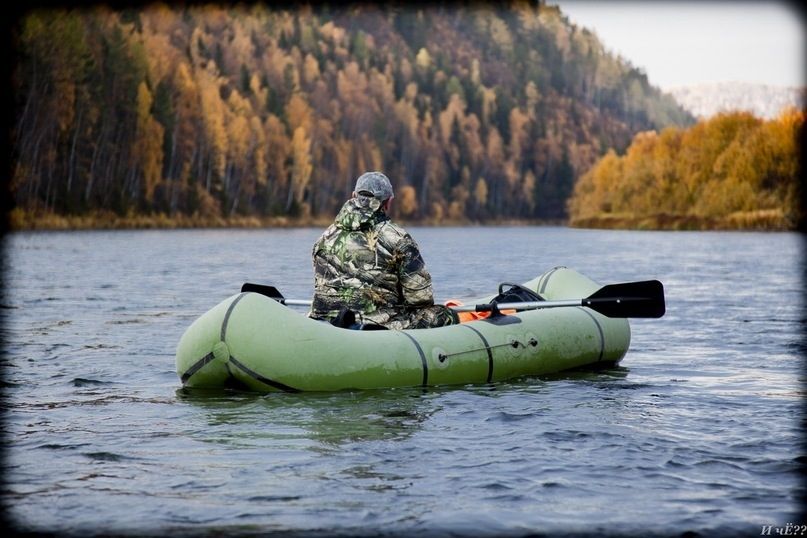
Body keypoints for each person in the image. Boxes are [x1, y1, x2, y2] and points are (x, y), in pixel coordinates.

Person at [309, 171, 458, 330]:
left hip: (325, 325)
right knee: (445, 316)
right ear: (387, 203)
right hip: (378, 327)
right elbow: (421, 299)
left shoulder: (324, 237)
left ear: (353, 195)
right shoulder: (399, 240)